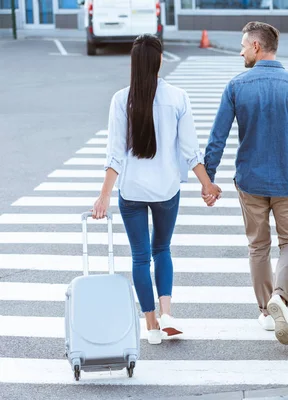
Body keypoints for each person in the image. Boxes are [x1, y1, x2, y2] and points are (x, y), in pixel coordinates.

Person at [203, 22, 288, 345]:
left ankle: (267, 312)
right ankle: (281, 297)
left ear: (256, 47)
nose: (239, 51)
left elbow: (217, 138)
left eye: (242, 45)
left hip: (250, 182)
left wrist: (208, 179)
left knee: (258, 247)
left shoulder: (236, 86)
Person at [91, 34, 221, 345]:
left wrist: (105, 194)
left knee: (140, 258)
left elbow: (115, 154)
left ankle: (150, 326)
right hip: (166, 191)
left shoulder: (122, 100)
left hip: (132, 192)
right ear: (160, 60)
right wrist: (208, 185)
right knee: (162, 249)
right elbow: (191, 151)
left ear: (133, 64)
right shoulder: (178, 97)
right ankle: (167, 314)